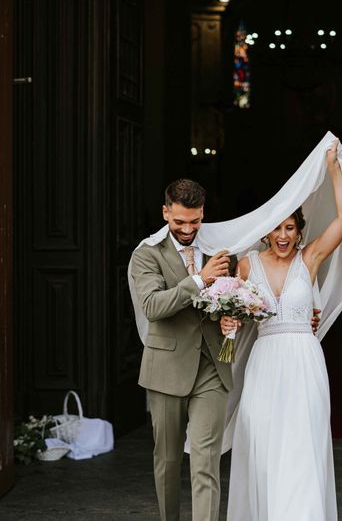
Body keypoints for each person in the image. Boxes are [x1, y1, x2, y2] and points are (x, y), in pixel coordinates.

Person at [223, 139, 342, 521]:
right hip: (264, 362)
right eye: (277, 227)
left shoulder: (309, 258)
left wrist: (334, 170)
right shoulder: (246, 266)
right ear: (266, 231)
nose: (283, 235)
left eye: (290, 228)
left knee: (301, 443)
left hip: (303, 361)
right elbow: (237, 310)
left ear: (300, 231)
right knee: (262, 441)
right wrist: (228, 320)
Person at [131, 179, 235, 521]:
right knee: (168, 462)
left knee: (206, 461)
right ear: (165, 213)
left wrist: (233, 319)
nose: (188, 229)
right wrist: (199, 280)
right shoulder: (146, 253)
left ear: (203, 212)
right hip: (166, 369)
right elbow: (152, 306)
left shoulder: (220, 250)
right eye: (179, 222)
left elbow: (232, 299)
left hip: (212, 367)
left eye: (194, 221)